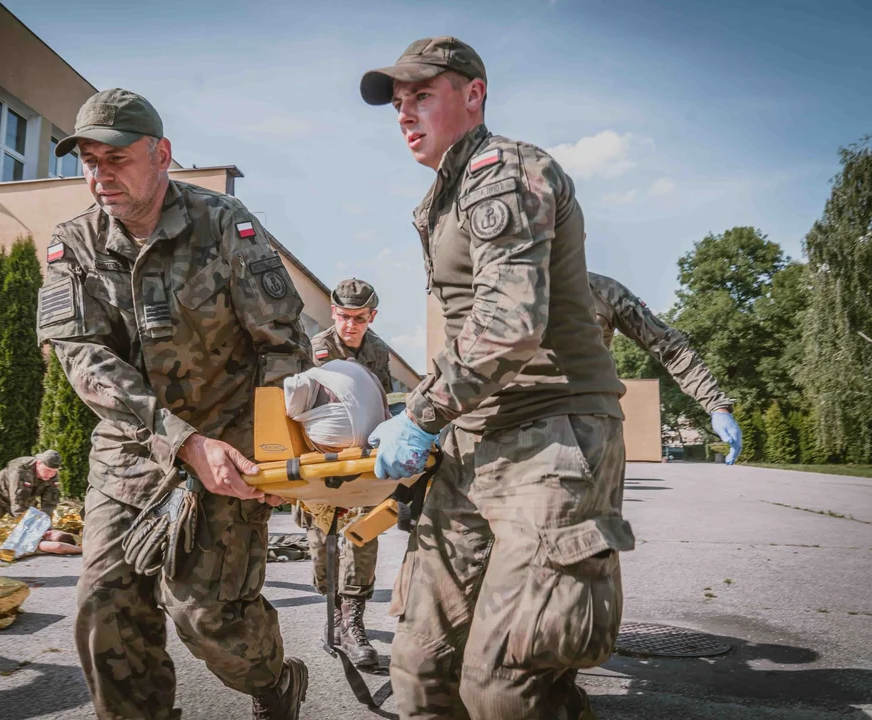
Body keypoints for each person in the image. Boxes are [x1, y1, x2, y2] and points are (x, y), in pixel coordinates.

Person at [361, 37, 635, 719]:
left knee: (506, 684)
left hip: (550, 431)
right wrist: (433, 423)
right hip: (471, 434)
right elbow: (464, 330)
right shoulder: (439, 200)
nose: (403, 113)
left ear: (473, 93)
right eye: (397, 103)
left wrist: (420, 413)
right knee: (420, 668)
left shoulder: (505, 170)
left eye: (420, 95)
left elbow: (509, 325)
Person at [37, 88, 312, 720]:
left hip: (231, 452)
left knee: (207, 617)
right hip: (132, 455)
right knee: (104, 609)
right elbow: (82, 356)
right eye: (87, 160)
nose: (100, 174)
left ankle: (274, 683)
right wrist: (180, 439)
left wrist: (273, 452)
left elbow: (282, 342)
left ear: (161, 154)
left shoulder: (224, 224)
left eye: (116, 158)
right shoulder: (74, 243)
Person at [296, 279, 393, 666]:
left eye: (358, 318)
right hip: (319, 460)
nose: (349, 325)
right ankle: (334, 610)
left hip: (363, 460)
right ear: (333, 312)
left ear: (371, 317)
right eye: (342, 316)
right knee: (322, 544)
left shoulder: (378, 351)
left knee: (362, 534)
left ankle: (352, 621)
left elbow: (382, 401)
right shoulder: (314, 347)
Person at [589, 271, 743, 463]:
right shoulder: (539, 290)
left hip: (588, 428)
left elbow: (672, 349)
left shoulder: (603, 290)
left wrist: (717, 406)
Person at [0, 450, 62, 519]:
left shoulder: (52, 476)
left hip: (27, 496)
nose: (50, 475)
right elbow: (18, 503)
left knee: (32, 518)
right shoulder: (21, 469)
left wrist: (45, 523)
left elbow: (49, 504)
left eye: (54, 471)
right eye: (47, 470)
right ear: (38, 463)